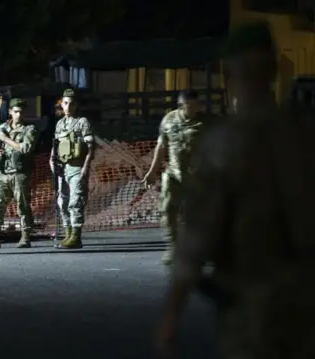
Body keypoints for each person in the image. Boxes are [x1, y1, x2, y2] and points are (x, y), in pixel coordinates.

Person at [156, 21, 315, 359]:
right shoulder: (303, 138)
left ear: (228, 73)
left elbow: (197, 237)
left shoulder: (224, 144)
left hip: (250, 309)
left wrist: (171, 317)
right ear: (273, 69)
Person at [142, 89, 208, 265]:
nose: (194, 109)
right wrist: (152, 171)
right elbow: (161, 146)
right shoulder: (169, 120)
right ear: (181, 106)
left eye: (196, 105)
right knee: (168, 209)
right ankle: (174, 248)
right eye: (189, 106)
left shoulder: (205, 123)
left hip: (197, 176)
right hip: (173, 173)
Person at [0, 98, 38, 249]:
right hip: (2, 173)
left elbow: (26, 148)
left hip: (19, 173)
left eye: (21, 112)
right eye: (15, 112)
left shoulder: (29, 129)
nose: (18, 115)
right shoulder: (1, 128)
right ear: (10, 112)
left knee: (23, 206)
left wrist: (6, 139)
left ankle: (25, 236)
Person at [51, 88, 95, 249]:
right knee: (62, 201)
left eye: (71, 103)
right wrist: (52, 160)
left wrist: (85, 167)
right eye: (65, 103)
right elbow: (55, 145)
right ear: (61, 105)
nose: (68, 106)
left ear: (76, 105)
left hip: (77, 167)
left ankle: (76, 236)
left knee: (75, 201)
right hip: (62, 167)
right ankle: (68, 233)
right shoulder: (60, 124)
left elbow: (91, 147)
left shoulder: (82, 122)